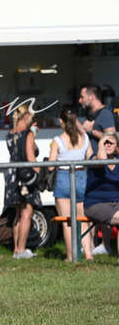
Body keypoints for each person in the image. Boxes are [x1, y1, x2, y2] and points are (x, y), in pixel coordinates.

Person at [48, 107, 94, 261]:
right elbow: (90, 158)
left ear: (61, 121)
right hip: (81, 177)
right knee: (82, 219)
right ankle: (88, 254)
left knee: (67, 221)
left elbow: (50, 166)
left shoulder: (57, 140)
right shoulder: (85, 138)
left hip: (63, 177)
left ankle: (70, 256)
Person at [5, 104, 41, 259]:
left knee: (18, 213)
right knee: (27, 212)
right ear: (27, 117)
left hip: (13, 176)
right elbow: (31, 158)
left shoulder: (10, 134)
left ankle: (16, 249)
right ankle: (21, 249)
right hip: (26, 177)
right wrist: (42, 174)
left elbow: (17, 153)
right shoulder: (27, 134)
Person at [84, 131, 119, 263]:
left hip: (115, 204)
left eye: (111, 143)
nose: (108, 145)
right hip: (95, 205)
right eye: (105, 142)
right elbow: (102, 160)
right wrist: (101, 142)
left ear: (116, 146)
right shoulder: (94, 158)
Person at [77, 84, 116, 155]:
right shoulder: (93, 113)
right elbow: (85, 129)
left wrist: (92, 131)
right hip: (92, 158)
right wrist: (74, 119)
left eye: (82, 97)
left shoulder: (105, 113)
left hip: (101, 159)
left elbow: (111, 138)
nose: (80, 100)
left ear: (92, 96)